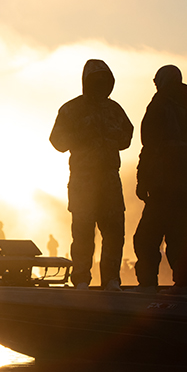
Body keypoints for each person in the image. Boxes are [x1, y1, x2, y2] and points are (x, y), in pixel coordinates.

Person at [50, 58, 133, 291]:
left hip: (109, 180)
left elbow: (127, 136)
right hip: (83, 182)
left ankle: (111, 281)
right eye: (95, 80)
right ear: (86, 81)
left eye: (103, 80)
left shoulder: (114, 109)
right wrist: (81, 136)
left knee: (114, 234)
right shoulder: (71, 109)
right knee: (83, 234)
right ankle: (82, 281)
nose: (99, 84)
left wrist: (110, 136)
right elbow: (57, 141)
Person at [133, 64, 187, 294]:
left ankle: (147, 287)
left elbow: (149, 147)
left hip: (162, 185)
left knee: (146, 238)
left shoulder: (159, 105)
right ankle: (185, 287)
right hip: (186, 187)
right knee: (180, 237)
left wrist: (142, 181)